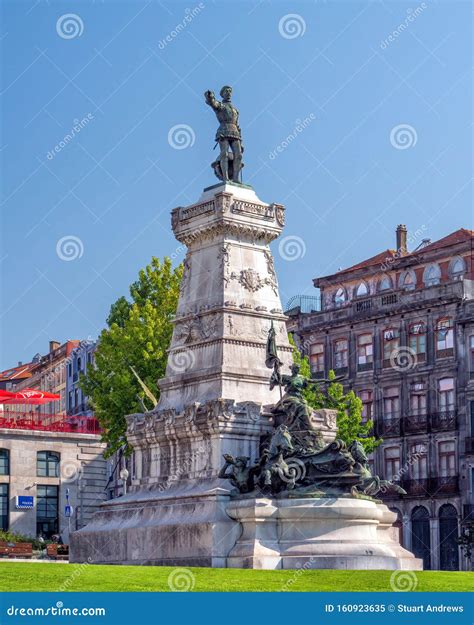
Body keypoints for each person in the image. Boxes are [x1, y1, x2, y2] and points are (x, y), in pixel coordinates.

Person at [204, 86, 243, 182]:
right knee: (224, 154)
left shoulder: (235, 110)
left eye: (230, 91)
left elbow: (238, 125)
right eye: (226, 91)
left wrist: (241, 143)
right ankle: (226, 177)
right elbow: (213, 103)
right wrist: (210, 97)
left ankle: (235, 179)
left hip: (235, 132)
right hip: (224, 130)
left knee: (238, 156)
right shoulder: (221, 106)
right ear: (222, 94)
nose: (229, 93)